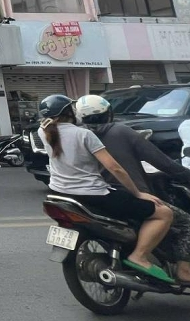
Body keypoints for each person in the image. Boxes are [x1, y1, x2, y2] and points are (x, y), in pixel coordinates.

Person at [39, 94, 174, 284]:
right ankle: (139, 256)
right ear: (69, 112)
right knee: (164, 213)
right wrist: (138, 193)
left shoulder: (43, 132)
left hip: (60, 193)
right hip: (93, 195)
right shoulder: (84, 135)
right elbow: (115, 168)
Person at [76, 94, 190, 286]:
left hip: (96, 194)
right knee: (186, 223)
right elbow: (161, 162)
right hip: (128, 194)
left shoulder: (80, 135)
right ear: (108, 113)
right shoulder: (120, 131)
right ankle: (184, 271)